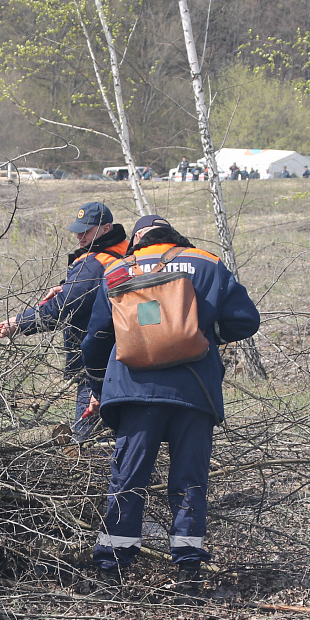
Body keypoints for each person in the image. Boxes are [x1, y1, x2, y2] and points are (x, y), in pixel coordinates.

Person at [81, 214, 261, 585]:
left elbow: (97, 337)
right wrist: (202, 335)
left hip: (134, 391)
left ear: (136, 241)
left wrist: (99, 386)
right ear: (175, 235)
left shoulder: (118, 269)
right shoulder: (208, 262)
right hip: (194, 389)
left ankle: (112, 566)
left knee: (128, 478)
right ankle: (189, 567)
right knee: (190, 478)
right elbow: (246, 320)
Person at [0, 202, 129, 442]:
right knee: (124, 438)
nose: (79, 236)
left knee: (89, 443)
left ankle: (94, 477)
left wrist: (19, 323)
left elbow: (64, 307)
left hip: (97, 367)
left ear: (106, 228)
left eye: (86, 230)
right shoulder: (125, 254)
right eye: (78, 230)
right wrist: (67, 287)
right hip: (126, 360)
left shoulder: (95, 262)